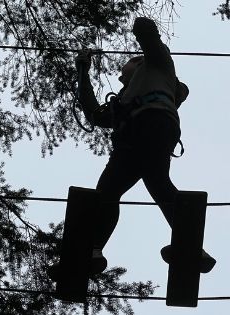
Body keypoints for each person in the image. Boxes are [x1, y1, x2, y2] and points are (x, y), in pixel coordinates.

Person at [61, 17, 215, 276]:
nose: (120, 76)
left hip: (152, 125)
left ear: (139, 62)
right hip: (137, 136)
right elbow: (95, 115)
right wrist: (82, 71)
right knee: (112, 191)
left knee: (144, 184)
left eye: (123, 70)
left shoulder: (160, 64)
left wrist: (139, 25)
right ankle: (94, 250)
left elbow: (146, 31)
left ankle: (190, 244)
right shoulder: (124, 99)